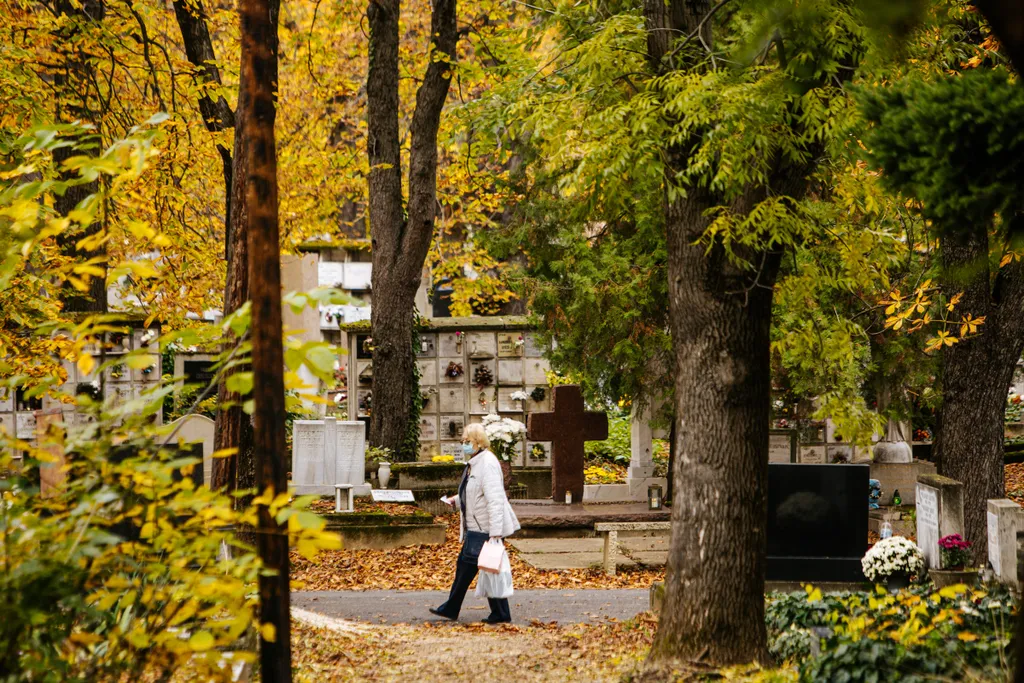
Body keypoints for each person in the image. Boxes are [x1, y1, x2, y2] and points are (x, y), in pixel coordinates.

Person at [430, 423, 520, 624]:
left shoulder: (486, 463)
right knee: (478, 568)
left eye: (467, 441)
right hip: (477, 528)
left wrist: (495, 533)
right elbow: (474, 494)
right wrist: (456, 500)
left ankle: (457, 608)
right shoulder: (475, 463)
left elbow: (495, 499)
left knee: (475, 568)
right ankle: (496, 613)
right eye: (463, 441)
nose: (464, 445)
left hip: (484, 530)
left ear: (479, 442)